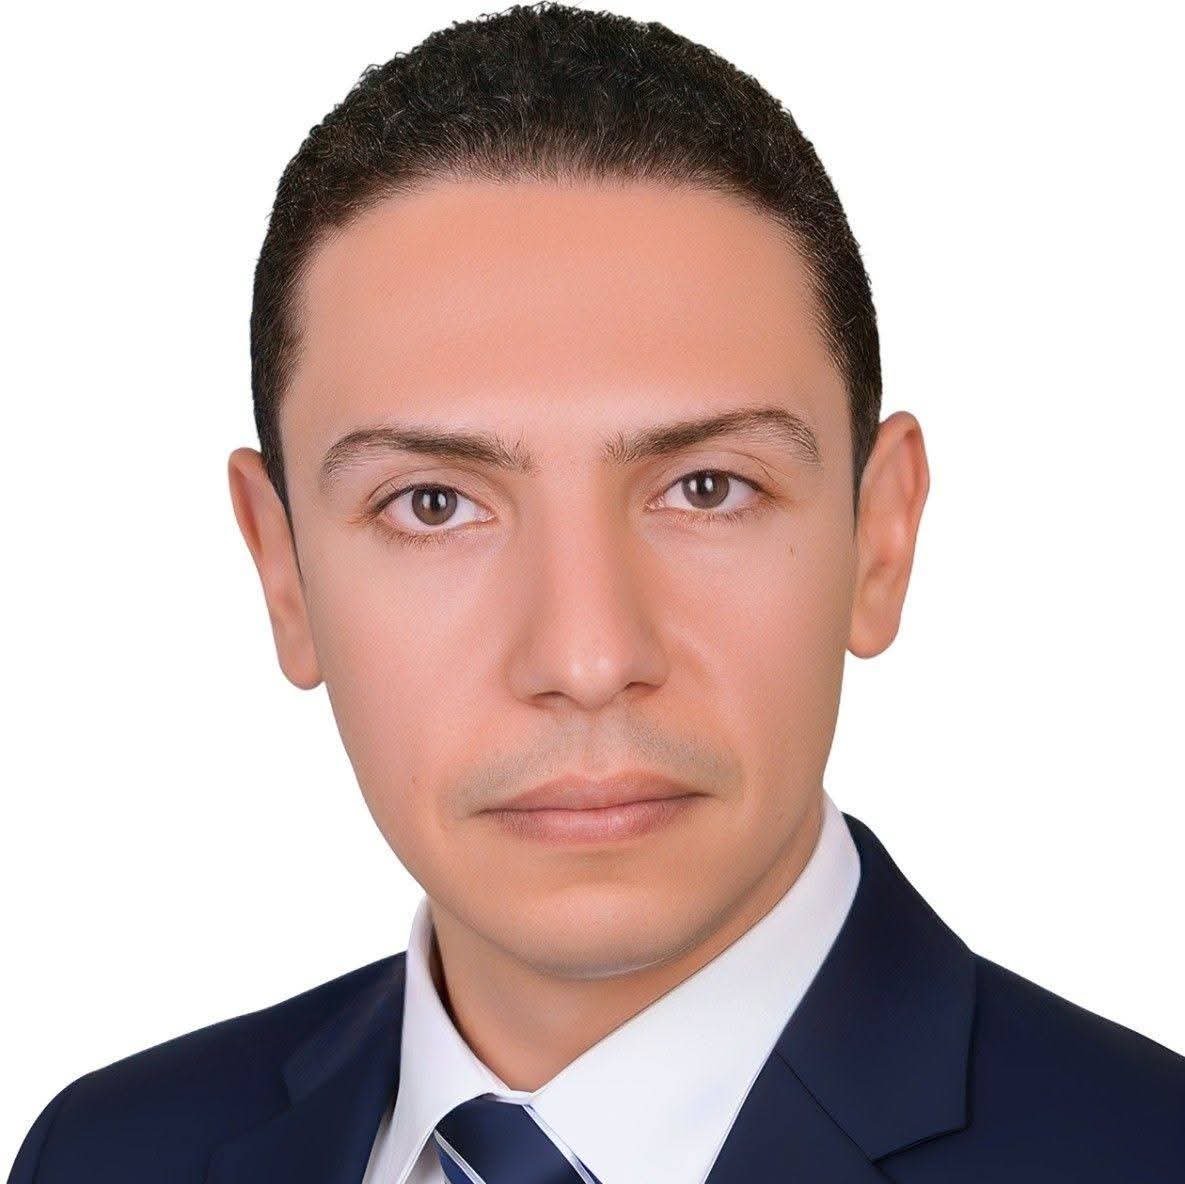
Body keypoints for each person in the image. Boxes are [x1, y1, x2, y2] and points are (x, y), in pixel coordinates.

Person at [9, 4, 1183, 1182]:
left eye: (708, 487)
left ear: (880, 538)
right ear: (284, 569)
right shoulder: (103, 1154)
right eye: (432, 503)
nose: (585, 656)